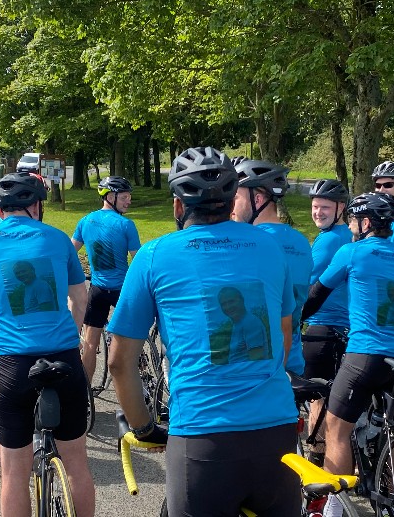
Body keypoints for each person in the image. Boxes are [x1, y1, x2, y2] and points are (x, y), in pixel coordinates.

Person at [107, 147, 299, 517]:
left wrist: (143, 428)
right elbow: (284, 337)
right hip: (277, 433)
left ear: (179, 208)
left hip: (203, 437)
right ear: (232, 203)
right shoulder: (272, 247)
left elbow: (118, 362)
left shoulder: (154, 255)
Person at [0, 173, 94, 517]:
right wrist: (71, 337)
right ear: (36, 205)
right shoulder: (58, 240)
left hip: (13, 366)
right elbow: (80, 297)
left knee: (13, 474)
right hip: (64, 359)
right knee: (76, 463)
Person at [299, 192, 394, 517]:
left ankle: (334, 511)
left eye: (352, 219)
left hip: (363, 355)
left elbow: (317, 294)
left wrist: (295, 320)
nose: (349, 225)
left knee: (337, 429)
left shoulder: (352, 252)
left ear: (365, 223)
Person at [233, 159, 311, 375]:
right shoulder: (302, 242)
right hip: (294, 356)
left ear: (257, 199)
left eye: (236, 198)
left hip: (259, 363)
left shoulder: (250, 242)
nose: (232, 206)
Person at [300, 179, 352, 467]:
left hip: (323, 326)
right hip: (345, 327)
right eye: (315, 206)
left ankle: (317, 459)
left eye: (324, 207)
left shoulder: (329, 240)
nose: (317, 212)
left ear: (340, 208)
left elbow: (308, 286)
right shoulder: (346, 235)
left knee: (314, 395)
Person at [71, 176, 141, 385]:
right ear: (111, 196)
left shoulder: (85, 221)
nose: (129, 201)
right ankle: (138, 386)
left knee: (90, 344)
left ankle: (83, 397)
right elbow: (137, 261)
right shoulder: (126, 225)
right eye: (125, 197)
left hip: (98, 290)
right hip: (122, 292)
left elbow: (69, 252)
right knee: (131, 342)